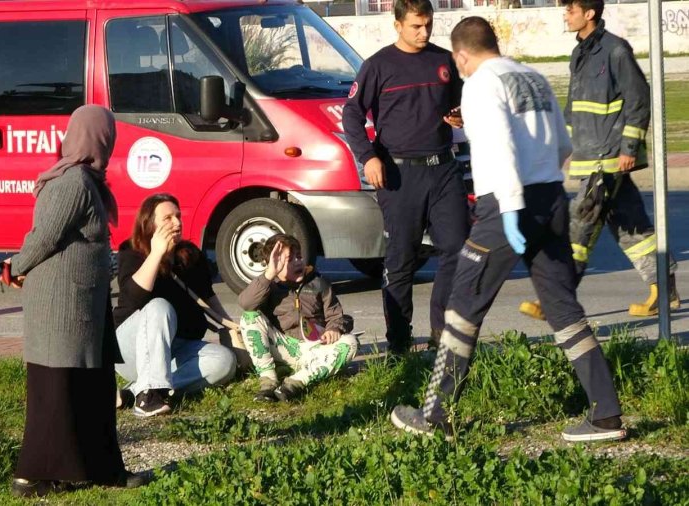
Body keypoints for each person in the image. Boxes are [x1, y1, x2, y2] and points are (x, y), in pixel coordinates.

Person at [390, 17, 627, 442]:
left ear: (462, 55)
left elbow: (500, 145)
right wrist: (541, 195)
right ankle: (606, 415)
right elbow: (562, 146)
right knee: (564, 310)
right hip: (551, 198)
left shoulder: (479, 83)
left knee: (462, 307)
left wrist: (512, 210)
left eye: (458, 63)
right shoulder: (531, 76)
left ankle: (435, 416)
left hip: (505, 205)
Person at [5, 106, 146, 498]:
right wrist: (12, 267)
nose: (111, 143)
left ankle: (100, 469)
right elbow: (45, 237)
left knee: (93, 388)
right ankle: (32, 477)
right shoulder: (72, 183)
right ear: (96, 138)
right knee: (57, 392)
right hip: (60, 308)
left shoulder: (88, 181)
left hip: (82, 306)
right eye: (107, 136)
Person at [519, 0, 678, 321]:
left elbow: (638, 99)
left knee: (581, 222)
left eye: (570, 9)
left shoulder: (616, 51)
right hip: (588, 157)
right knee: (630, 224)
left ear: (589, 13)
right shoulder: (581, 53)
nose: (565, 14)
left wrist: (629, 149)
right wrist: (560, 148)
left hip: (608, 157)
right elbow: (574, 108)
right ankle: (664, 288)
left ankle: (556, 300)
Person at [342, 0, 470, 353]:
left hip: (443, 169)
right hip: (398, 175)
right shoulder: (378, 66)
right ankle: (398, 343)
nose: (424, 32)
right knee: (401, 260)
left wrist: (460, 115)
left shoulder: (443, 60)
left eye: (428, 25)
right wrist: (367, 156)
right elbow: (352, 115)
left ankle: (441, 336)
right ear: (397, 24)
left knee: (458, 250)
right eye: (416, 26)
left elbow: (461, 104)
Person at [113, 193, 236, 417]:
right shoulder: (131, 252)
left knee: (224, 361)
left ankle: (134, 392)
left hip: (175, 346)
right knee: (159, 306)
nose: (177, 223)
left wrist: (231, 326)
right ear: (149, 224)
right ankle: (148, 399)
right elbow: (133, 299)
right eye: (168, 218)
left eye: (178, 216)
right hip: (130, 347)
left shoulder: (189, 255)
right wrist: (158, 253)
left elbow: (207, 297)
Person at [238, 234, 358, 402]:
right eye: (289, 259)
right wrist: (269, 274)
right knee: (249, 317)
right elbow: (245, 304)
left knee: (351, 342)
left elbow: (336, 314)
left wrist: (334, 329)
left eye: (299, 256)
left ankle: (296, 382)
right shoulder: (268, 286)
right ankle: (268, 380)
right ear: (274, 264)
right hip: (283, 347)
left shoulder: (318, 283)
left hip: (314, 348)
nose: (297, 262)